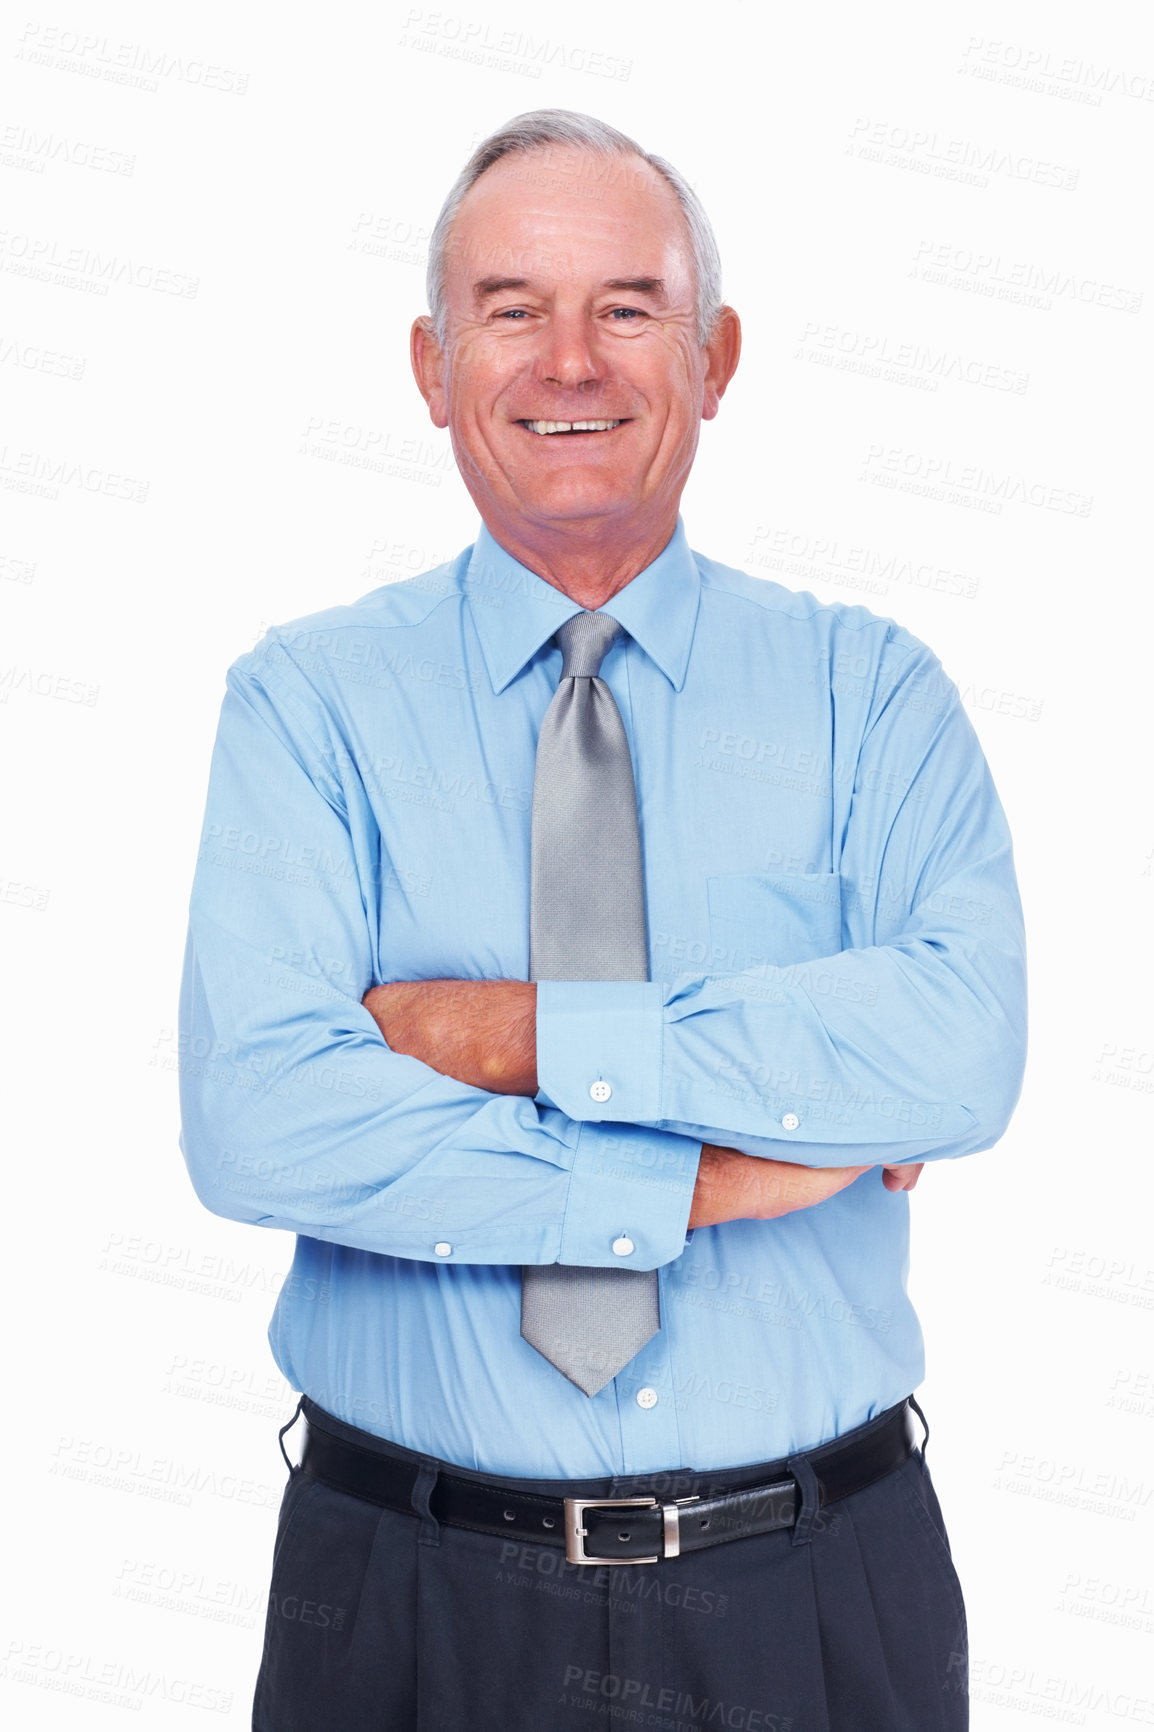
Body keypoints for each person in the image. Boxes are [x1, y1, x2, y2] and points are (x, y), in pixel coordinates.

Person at [179, 109, 1026, 1731]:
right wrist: (711, 1172)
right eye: (512, 310)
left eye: (627, 308)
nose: (571, 364)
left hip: (818, 1588)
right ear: (432, 367)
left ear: (712, 358)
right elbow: (264, 1121)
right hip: (409, 1597)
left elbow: (956, 1053)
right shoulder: (307, 708)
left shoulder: (872, 693)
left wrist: (497, 1035)